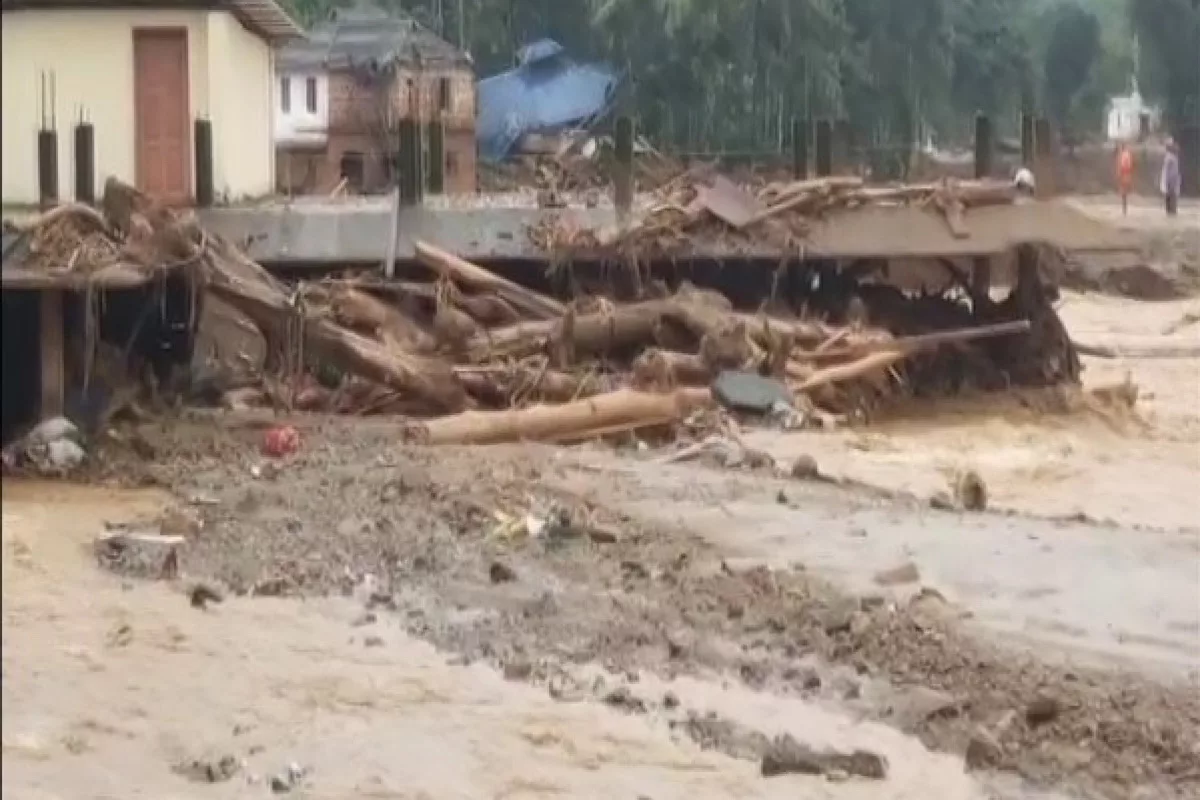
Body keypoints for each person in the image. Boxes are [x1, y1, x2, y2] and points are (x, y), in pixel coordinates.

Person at [1160, 138, 1181, 217]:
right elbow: (1170, 172)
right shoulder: (1170, 158)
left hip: (1172, 182)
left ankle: (1170, 213)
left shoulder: (1171, 157)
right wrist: (1170, 183)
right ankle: (1171, 213)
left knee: (1170, 199)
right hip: (1171, 182)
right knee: (1171, 199)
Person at [1116, 143, 1134, 215]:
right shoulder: (1127, 154)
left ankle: (1124, 209)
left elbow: (1123, 165)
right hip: (1127, 174)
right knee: (1124, 192)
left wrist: (1119, 173)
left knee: (1124, 192)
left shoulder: (1123, 155)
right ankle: (1124, 209)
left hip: (1124, 174)